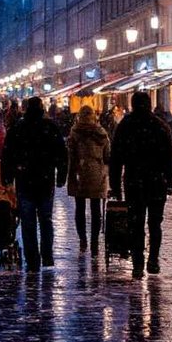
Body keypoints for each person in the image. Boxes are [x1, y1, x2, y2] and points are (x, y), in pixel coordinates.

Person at [109, 92, 172, 277]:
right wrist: (170, 180)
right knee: (155, 223)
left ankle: (138, 263)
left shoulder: (126, 125)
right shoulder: (159, 126)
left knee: (136, 223)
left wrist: (115, 185)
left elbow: (116, 158)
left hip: (134, 180)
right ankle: (153, 260)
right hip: (156, 182)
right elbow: (169, 156)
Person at [1, 96, 68, 272]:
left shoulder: (18, 128)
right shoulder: (50, 127)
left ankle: (32, 260)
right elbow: (62, 153)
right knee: (46, 220)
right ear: (42, 109)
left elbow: (7, 154)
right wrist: (61, 175)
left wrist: (7, 178)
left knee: (28, 222)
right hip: (46, 180)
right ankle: (47, 256)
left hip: (25, 180)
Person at [66, 105, 110, 253]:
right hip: (97, 174)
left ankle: (83, 240)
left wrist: (71, 172)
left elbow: (70, 155)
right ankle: (95, 241)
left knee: (80, 208)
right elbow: (108, 155)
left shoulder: (75, 132)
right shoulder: (101, 133)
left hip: (80, 173)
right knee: (96, 209)